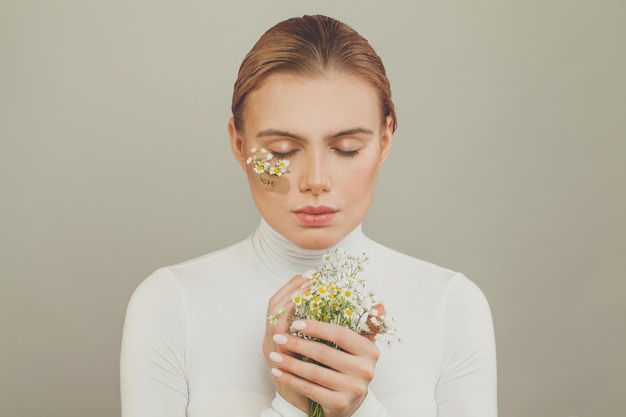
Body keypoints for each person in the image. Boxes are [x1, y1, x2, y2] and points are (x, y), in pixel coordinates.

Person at [120, 14, 497, 417]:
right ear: (238, 142)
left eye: (347, 147)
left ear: (385, 140)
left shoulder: (451, 305)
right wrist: (289, 405)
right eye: (282, 150)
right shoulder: (169, 303)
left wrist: (361, 409)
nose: (315, 180)